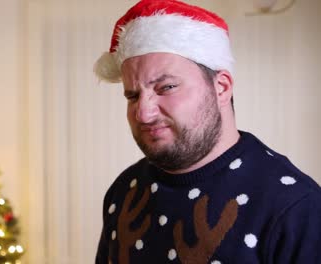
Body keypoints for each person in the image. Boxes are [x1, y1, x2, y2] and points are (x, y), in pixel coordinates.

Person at [93, 0, 321, 263]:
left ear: (221, 88)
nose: (143, 113)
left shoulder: (296, 207)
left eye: (166, 87)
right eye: (132, 96)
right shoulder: (124, 190)